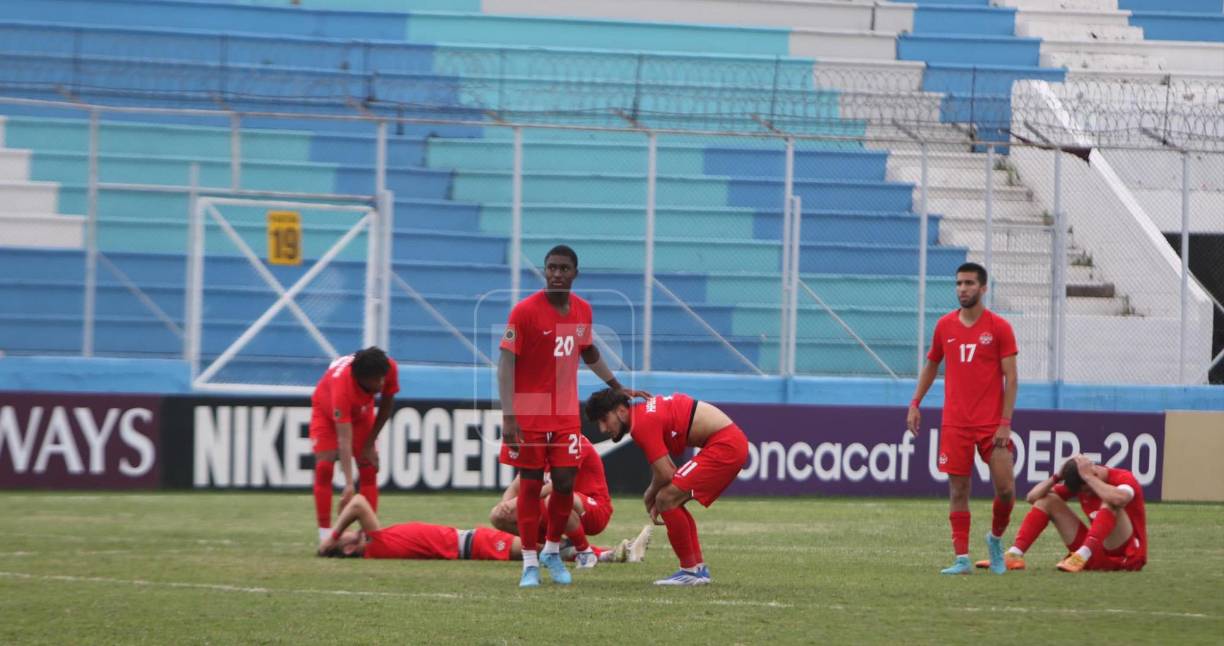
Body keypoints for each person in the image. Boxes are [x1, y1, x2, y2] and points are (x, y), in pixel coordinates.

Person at [498, 245, 647, 587]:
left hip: (565, 409)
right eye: (551, 267)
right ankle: (530, 563)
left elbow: (588, 351)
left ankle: (552, 549)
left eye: (564, 268)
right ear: (544, 270)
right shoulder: (524, 312)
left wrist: (617, 386)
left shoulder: (582, 311)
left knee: (564, 482)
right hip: (532, 409)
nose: (556, 274)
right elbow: (506, 361)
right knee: (532, 486)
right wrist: (509, 415)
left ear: (575, 273)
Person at [907, 262, 1019, 575]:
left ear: (983, 288)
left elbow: (1011, 378)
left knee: (1006, 489)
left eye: (969, 283)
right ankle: (962, 559)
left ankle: (995, 539)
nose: (963, 289)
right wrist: (915, 402)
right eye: (958, 284)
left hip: (991, 424)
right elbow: (931, 365)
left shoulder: (999, 328)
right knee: (958, 490)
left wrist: (1004, 422)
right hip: (955, 423)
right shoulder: (944, 326)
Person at [584, 389, 748, 586]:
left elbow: (666, 473)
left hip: (725, 445)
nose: (602, 429)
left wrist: (649, 495)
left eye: (604, 419)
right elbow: (666, 469)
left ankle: (690, 570)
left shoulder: (641, 424)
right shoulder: (643, 414)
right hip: (728, 442)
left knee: (666, 498)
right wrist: (654, 495)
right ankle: (697, 569)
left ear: (620, 411)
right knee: (669, 499)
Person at [318, 494, 649, 564]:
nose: (346, 533)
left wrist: (335, 539)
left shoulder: (377, 540)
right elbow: (358, 503)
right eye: (346, 538)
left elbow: (356, 507)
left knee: (548, 548)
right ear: (350, 547)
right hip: (473, 546)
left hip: (471, 540)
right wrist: (331, 538)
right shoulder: (374, 545)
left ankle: (609, 554)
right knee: (544, 549)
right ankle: (612, 555)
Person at [975, 455, 1147, 572]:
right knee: (1047, 499)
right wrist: (1056, 476)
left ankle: (1081, 556)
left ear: (1093, 473)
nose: (1086, 494)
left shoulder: (1123, 478)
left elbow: (1120, 498)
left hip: (1127, 557)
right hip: (1097, 552)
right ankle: (1014, 555)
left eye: (1086, 489)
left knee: (1110, 499)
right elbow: (1032, 497)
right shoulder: (1083, 483)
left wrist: (1090, 479)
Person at [309, 347, 398, 545]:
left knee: (368, 467)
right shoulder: (342, 389)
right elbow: (344, 440)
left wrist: (369, 445)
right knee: (325, 466)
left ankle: (368, 536)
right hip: (325, 411)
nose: (382, 383)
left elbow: (385, 406)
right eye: (376, 380)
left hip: (361, 412)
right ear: (361, 378)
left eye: (383, 377)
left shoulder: (388, 367)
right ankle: (325, 534)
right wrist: (349, 484)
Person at [488, 434, 616, 569]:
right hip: (556, 510)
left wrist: (520, 501)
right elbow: (515, 487)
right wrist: (505, 505)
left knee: (556, 498)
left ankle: (585, 553)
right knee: (497, 516)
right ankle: (561, 547)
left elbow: (559, 484)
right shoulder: (537, 447)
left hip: (594, 509)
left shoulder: (572, 441)